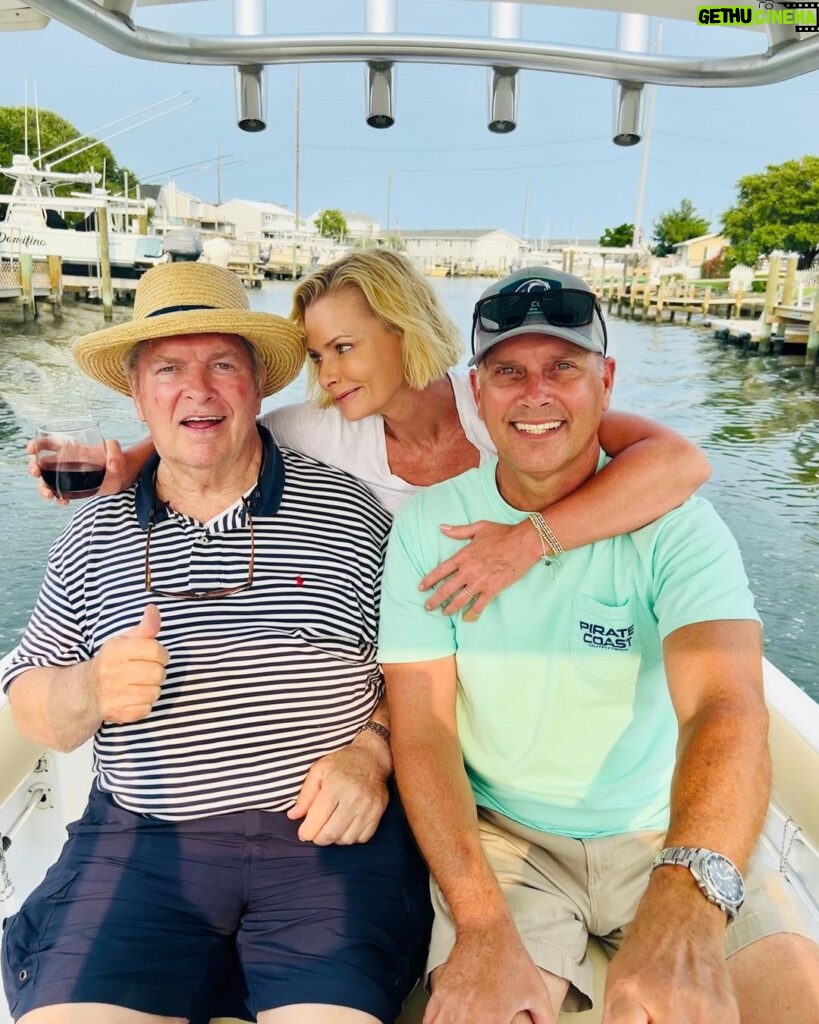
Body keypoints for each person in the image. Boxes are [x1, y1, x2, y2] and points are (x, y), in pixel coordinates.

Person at [378, 267, 819, 1024]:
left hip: (667, 823)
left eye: (563, 368)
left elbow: (724, 704)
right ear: (475, 392)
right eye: (508, 372)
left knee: (793, 996)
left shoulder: (678, 525)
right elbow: (422, 724)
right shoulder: (428, 527)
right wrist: (480, 919)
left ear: (606, 383)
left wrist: (683, 898)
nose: (535, 393)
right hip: (510, 840)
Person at [2, 262, 431, 1024]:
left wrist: (371, 749)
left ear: (257, 385)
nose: (197, 390)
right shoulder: (92, 530)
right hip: (140, 846)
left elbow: (420, 666)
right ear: (137, 396)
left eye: (222, 365)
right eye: (168, 368)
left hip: (323, 845)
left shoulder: (349, 509)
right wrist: (91, 689)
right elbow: (33, 704)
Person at [30, 251, 710, 618]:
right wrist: (126, 466)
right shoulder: (324, 430)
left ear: (403, 331)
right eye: (320, 355)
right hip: (413, 664)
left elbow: (678, 463)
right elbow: (221, 428)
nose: (329, 374)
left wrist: (527, 542)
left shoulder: (501, 407)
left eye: (345, 348)